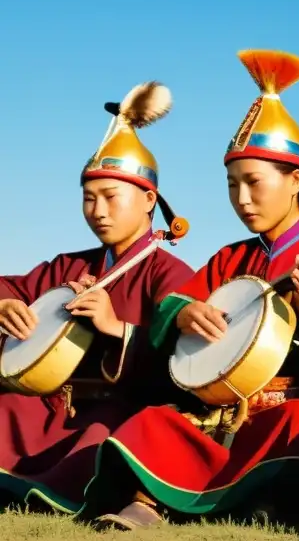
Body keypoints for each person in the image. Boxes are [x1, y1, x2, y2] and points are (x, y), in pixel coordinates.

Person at [84, 49, 299, 530]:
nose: (241, 199)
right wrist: (182, 316)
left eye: (254, 183)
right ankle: (147, 504)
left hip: (292, 403)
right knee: (155, 420)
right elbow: (171, 307)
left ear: (296, 180)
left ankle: (257, 499)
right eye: (231, 185)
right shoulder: (229, 258)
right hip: (218, 406)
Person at [0, 82, 194, 514]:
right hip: (53, 410)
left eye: (110, 197)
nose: (98, 211)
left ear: (148, 200)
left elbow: (183, 358)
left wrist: (116, 327)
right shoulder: (68, 266)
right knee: (8, 405)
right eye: (89, 199)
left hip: (117, 411)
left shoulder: (171, 274)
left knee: (106, 435)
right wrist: (4, 308)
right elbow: (9, 287)